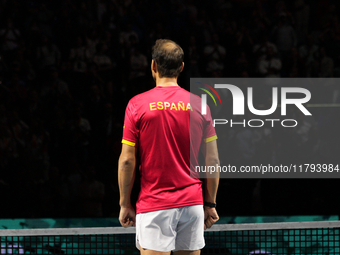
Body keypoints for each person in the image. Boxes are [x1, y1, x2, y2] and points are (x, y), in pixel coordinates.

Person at [118, 39, 220, 255]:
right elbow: (213, 160)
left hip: (154, 204)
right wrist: (210, 203)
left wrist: (124, 203)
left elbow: (127, 160)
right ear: (181, 67)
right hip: (192, 205)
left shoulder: (137, 104)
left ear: (153, 65)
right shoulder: (200, 104)